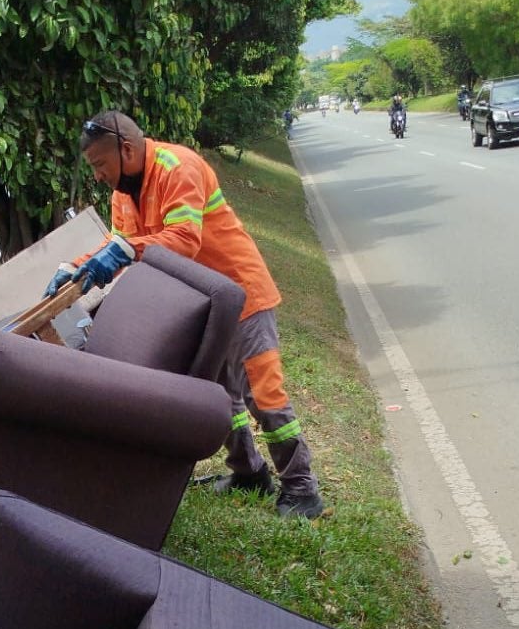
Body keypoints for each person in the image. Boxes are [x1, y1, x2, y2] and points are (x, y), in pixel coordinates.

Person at [44, 110, 326, 520]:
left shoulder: (179, 167)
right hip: (199, 303)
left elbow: (184, 240)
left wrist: (124, 251)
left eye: (101, 165)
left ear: (126, 149)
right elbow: (119, 241)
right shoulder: (123, 192)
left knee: (263, 395)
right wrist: (79, 265)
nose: (98, 175)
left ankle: (302, 488)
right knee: (215, 393)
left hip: (241, 293)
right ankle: (249, 472)